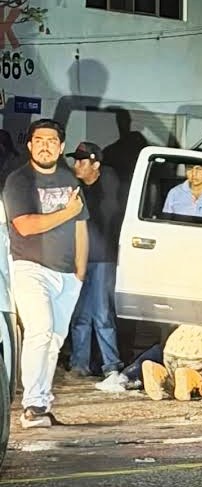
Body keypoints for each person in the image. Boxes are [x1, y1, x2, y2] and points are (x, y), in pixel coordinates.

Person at [3, 119, 89, 428]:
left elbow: (81, 226)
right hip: (30, 266)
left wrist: (80, 271)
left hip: (66, 274)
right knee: (40, 329)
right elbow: (24, 225)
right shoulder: (19, 180)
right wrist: (66, 211)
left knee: (54, 338)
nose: (45, 145)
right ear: (29, 145)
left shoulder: (69, 180)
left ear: (61, 146)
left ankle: (41, 403)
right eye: (39, 140)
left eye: (52, 140)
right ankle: (31, 406)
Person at [65, 142, 124, 378]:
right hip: (80, 258)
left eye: (82, 161)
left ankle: (111, 364)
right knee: (80, 314)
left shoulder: (108, 187)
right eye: (76, 160)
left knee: (101, 313)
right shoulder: (77, 189)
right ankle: (80, 363)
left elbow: (108, 218)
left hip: (102, 259)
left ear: (95, 164)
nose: (76, 165)